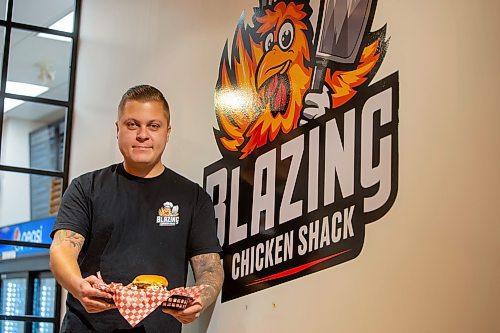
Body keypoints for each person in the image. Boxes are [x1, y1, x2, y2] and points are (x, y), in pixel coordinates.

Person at [49, 85, 224, 332]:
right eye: (132, 125)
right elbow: (62, 250)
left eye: (154, 126)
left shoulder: (193, 197)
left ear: (167, 132)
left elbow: (210, 268)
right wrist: (78, 286)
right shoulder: (85, 188)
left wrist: (200, 300)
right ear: (118, 129)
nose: (143, 134)